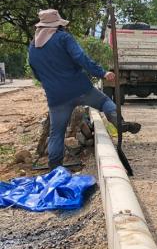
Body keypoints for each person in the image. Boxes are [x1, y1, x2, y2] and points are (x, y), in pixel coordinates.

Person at [27, 9, 141, 169]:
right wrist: (102, 73)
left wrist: (51, 83)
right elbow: (81, 58)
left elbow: (37, 74)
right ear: (57, 25)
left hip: (56, 98)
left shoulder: (32, 48)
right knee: (104, 102)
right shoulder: (63, 38)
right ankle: (117, 121)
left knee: (56, 134)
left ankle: (55, 170)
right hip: (80, 89)